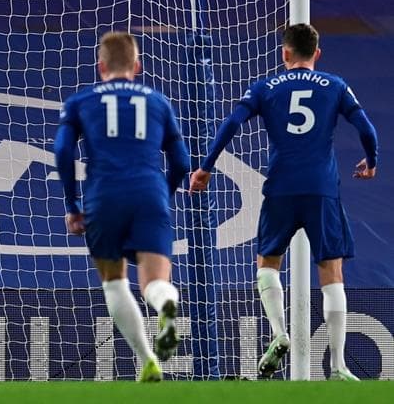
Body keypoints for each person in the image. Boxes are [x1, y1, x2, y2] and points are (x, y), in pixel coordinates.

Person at [189, 23, 378, 381]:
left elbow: (232, 122)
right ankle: (338, 366)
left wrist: (206, 167)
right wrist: (372, 160)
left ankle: (278, 332)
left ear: (285, 53)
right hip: (321, 189)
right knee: (332, 272)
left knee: (267, 262)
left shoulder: (265, 87)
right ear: (317, 55)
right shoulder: (335, 85)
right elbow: (366, 126)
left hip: (280, 188)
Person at [54, 31, 190, 382]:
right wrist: (165, 194)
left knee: (114, 282)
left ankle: (148, 360)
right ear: (137, 65)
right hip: (149, 194)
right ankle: (165, 305)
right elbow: (181, 162)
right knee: (154, 281)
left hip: (104, 197)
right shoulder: (158, 102)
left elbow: (62, 152)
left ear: (100, 66)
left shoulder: (81, 101)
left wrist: (72, 204)